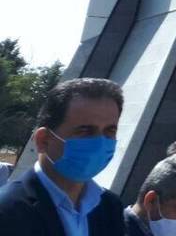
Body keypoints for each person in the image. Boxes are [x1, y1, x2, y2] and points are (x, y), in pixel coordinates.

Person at [0, 77, 126, 236]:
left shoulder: (110, 207)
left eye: (110, 131)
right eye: (85, 130)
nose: (100, 143)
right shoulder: (7, 210)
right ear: (43, 140)